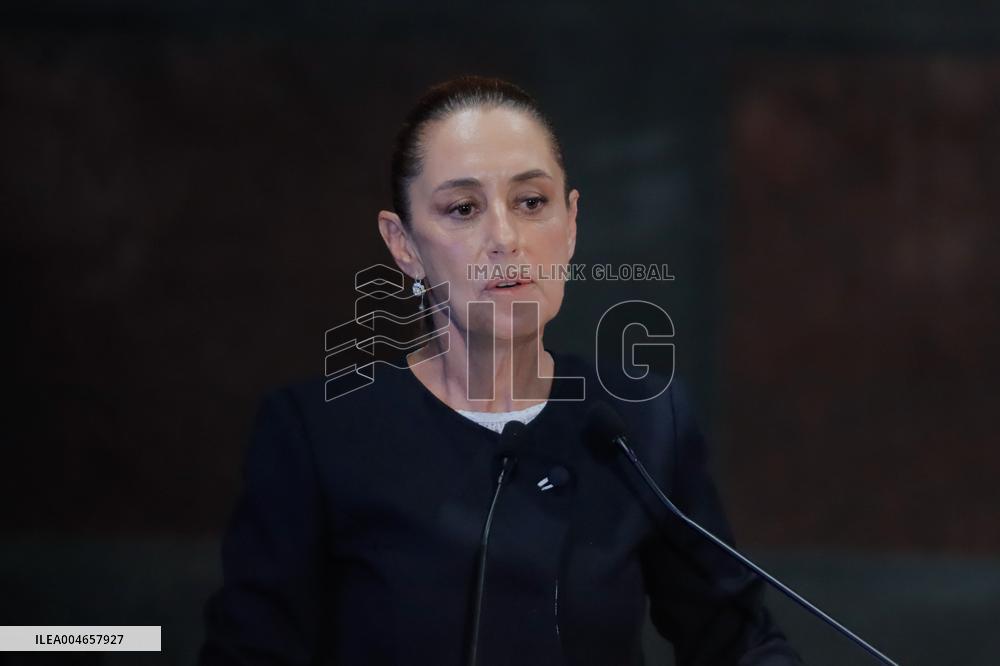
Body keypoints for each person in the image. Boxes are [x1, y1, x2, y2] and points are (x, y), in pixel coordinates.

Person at [198, 75, 803, 665]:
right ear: (403, 243)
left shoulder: (641, 423)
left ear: (570, 223)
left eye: (531, 202)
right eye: (463, 208)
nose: (504, 237)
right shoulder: (317, 435)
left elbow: (739, 642)